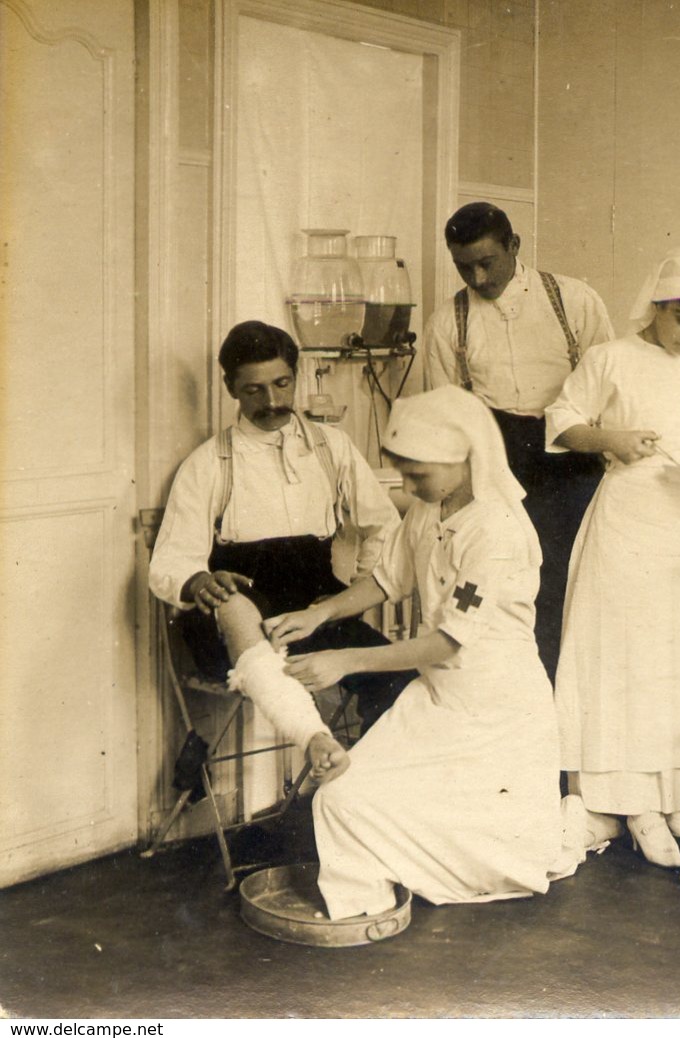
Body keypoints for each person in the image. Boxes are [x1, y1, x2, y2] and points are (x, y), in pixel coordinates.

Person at [266, 386, 604, 920]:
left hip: (498, 716)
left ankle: (538, 834)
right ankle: (367, 904)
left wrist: (345, 660)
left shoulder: (496, 531)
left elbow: (447, 641)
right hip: (439, 701)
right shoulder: (431, 507)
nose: (407, 486)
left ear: (464, 458)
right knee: (340, 796)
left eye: (417, 474)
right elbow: (385, 579)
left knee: (494, 851)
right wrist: (321, 613)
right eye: (404, 473)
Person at [545, 245, 680, 870]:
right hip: (628, 523)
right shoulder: (612, 359)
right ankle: (631, 805)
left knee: (679, 657)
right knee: (627, 658)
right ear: (656, 307)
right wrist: (612, 440)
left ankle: (675, 793)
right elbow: (562, 418)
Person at [149, 320, 409, 736]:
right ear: (230, 387)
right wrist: (199, 581)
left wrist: (354, 597)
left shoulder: (331, 446)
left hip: (314, 613)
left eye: (282, 384)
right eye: (254, 390)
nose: (272, 402)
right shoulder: (209, 463)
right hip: (238, 622)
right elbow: (171, 560)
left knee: (400, 680)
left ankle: (360, 789)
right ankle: (326, 757)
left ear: (296, 376)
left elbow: (385, 527)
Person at [424, 201, 614, 679]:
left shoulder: (574, 300)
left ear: (515, 245)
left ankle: (567, 714)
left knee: (569, 587)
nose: (479, 278)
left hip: (570, 461)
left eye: (488, 262)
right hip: (498, 461)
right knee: (502, 586)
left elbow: (610, 389)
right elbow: (447, 417)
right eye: (464, 266)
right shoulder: (447, 322)